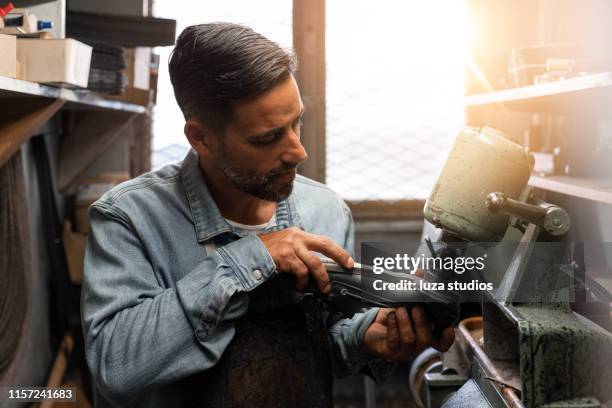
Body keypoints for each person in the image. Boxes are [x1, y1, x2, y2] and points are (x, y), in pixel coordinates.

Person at [81, 22, 454, 408]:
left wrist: (366, 339)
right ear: (201, 138)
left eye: (296, 123)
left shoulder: (325, 211)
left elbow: (328, 342)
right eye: (268, 137)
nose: (298, 152)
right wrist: (254, 257)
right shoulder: (127, 218)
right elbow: (115, 367)